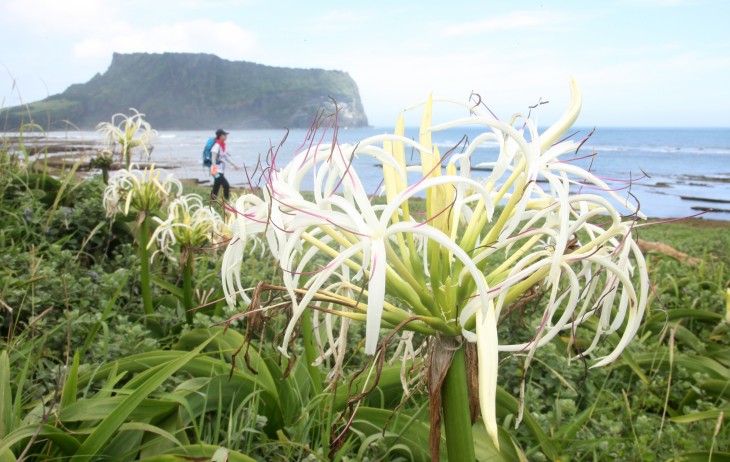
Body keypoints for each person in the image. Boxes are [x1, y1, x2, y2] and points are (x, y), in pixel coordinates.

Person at [210, 128, 241, 200]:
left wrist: (233, 164)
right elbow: (213, 158)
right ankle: (226, 201)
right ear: (220, 136)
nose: (226, 136)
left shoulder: (222, 145)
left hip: (220, 170)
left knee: (217, 185)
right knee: (226, 185)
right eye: (225, 135)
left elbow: (225, 157)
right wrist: (215, 171)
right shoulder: (217, 146)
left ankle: (213, 200)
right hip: (216, 171)